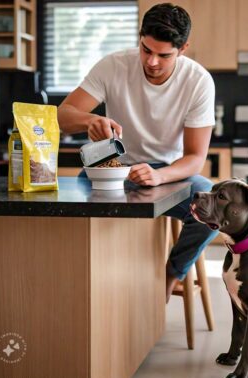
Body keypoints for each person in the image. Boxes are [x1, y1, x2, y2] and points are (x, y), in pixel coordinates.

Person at [58, 2, 219, 302]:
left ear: (183, 48)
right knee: (73, 212)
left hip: (169, 173)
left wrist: (158, 176)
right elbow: (63, 116)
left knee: (210, 207)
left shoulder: (198, 82)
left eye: (164, 54)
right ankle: (93, 286)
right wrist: (90, 119)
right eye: (146, 50)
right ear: (140, 37)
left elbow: (196, 158)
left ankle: (169, 276)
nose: (153, 61)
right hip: (112, 166)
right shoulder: (113, 65)